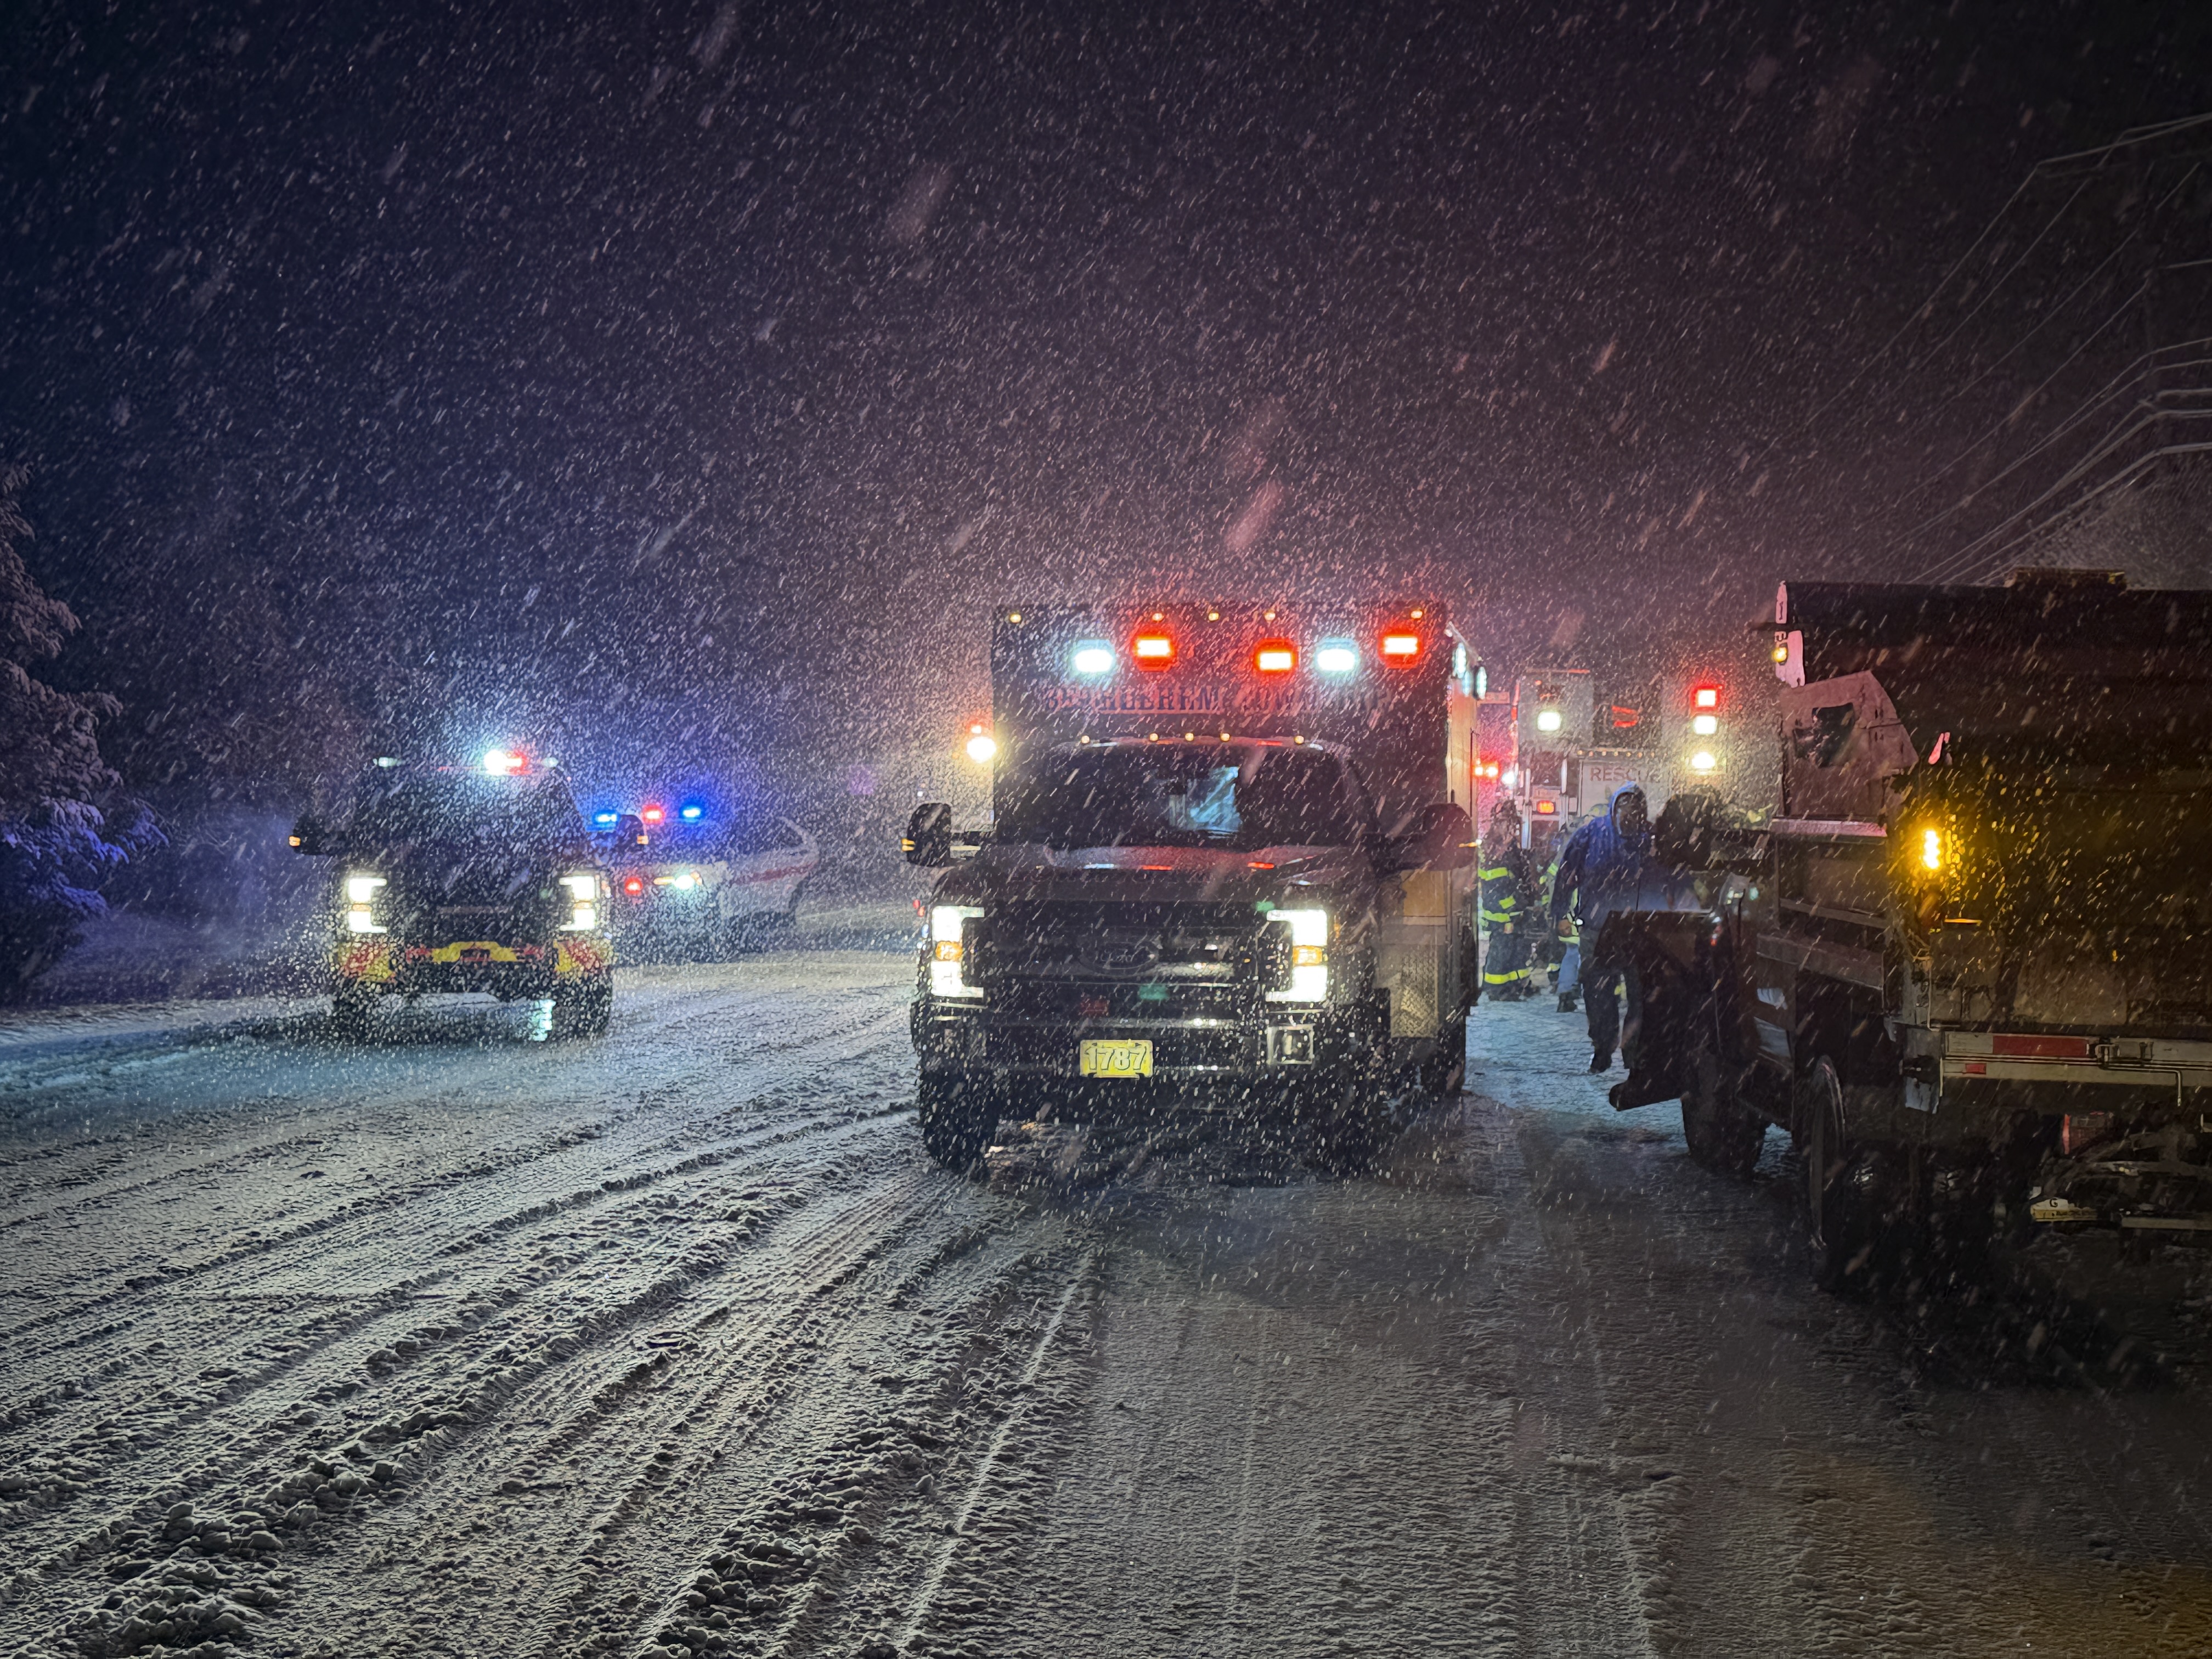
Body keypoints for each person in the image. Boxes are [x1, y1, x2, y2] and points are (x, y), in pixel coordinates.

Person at [1549, 782, 1652, 1072]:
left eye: (1634, 809)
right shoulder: (1591, 835)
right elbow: (1567, 874)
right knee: (1598, 994)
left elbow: (1668, 878)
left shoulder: (1651, 839)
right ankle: (1603, 1049)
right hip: (1598, 929)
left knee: (1641, 996)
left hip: (1640, 933)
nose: (1628, 815)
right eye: (1623, 807)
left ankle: (1634, 1055)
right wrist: (1559, 912)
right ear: (1614, 808)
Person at [1477, 799, 1541, 1000]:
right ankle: (1496, 990)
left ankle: (1518, 985)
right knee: (1502, 951)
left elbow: (1520, 875)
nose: (1511, 829)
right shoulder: (1492, 850)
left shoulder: (1512, 848)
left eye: (1512, 824)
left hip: (1516, 911)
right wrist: (1512, 908)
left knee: (1519, 950)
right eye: (1505, 823)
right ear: (1496, 823)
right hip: (1503, 913)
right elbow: (1496, 887)